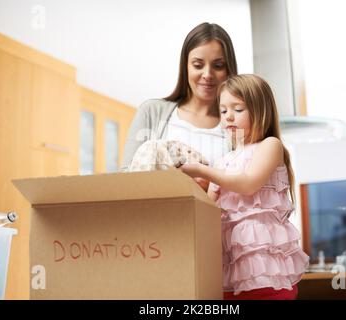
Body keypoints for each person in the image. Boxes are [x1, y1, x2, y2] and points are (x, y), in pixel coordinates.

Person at [179, 74, 309, 300]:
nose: (228, 117)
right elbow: (209, 211)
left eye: (238, 109)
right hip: (231, 272)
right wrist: (191, 185)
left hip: (266, 271)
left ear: (260, 110)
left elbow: (248, 184)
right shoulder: (223, 162)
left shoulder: (270, 146)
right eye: (223, 111)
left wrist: (203, 171)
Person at [121, 22, 238, 190]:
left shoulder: (237, 124)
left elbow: (244, 192)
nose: (207, 75)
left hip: (213, 216)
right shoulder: (151, 112)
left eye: (218, 66)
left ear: (229, 69)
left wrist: (209, 187)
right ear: (186, 67)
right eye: (198, 65)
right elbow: (126, 177)